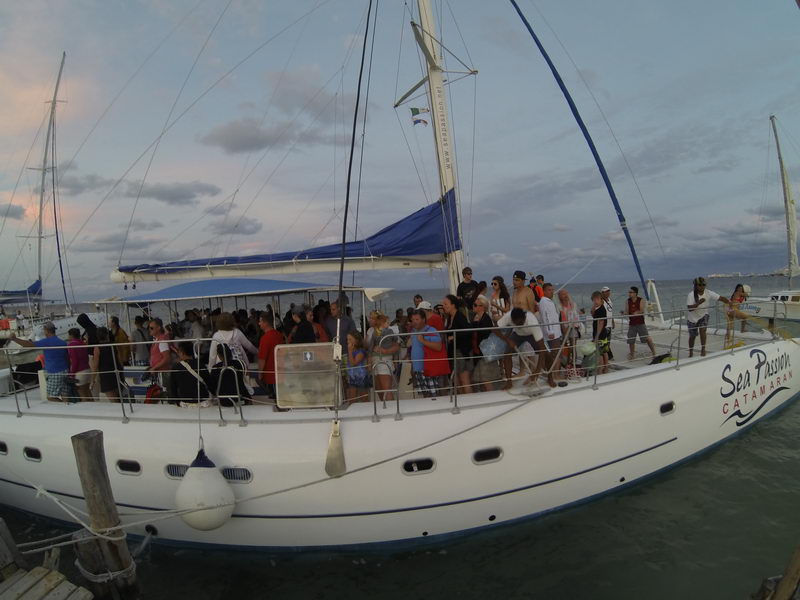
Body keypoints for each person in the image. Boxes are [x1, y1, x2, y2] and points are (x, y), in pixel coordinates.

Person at [495, 308, 555, 388]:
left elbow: (542, 349)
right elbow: (494, 329)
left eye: (521, 323)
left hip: (531, 334)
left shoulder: (532, 321)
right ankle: (509, 382)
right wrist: (508, 340)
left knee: (547, 354)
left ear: (524, 318)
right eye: (516, 323)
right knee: (507, 354)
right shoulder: (508, 316)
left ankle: (550, 378)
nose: (519, 325)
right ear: (512, 320)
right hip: (517, 334)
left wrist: (537, 370)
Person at [11, 322, 70, 401]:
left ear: (46, 331)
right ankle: (66, 409)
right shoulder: (63, 342)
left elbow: (28, 345)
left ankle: (62, 407)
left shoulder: (46, 342)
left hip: (54, 372)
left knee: (51, 397)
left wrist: (15, 339)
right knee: (65, 394)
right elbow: (67, 358)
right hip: (65, 370)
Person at [409, 309, 449, 398]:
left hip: (429, 368)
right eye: (412, 320)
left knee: (435, 394)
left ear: (423, 319)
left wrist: (423, 341)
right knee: (425, 395)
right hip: (418, 369)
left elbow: (438, 347)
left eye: (417, 319)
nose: (414, 322)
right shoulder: (414, 331)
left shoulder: (431, 330)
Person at [686, 277, 730, 357]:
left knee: (703, 331)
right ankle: (691, 352)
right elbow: (689, 309)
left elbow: (720, 298)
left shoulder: (708, 293)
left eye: (704, 285)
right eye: (700, 285)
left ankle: (703, 350)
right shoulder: (691, 295)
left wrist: (729, 302)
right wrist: (698, 303)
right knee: (692, 337)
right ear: (695, 285)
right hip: (692, 318)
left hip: (703, 315)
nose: (702, 286)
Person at [366, 310, 400, 402]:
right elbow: (369, 348)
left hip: (383, 360)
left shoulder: (387, 331)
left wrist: (385, 351)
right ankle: (385, 407)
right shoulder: (371, 331)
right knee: (380, 389)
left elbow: (396, 346)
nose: (370, 320)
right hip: (376, 361)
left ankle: (391, 408)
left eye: (372, 318)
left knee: (386, 389)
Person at [442, 294, 473, 394]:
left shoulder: (460, 317)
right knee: (457, 381)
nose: (443, 306)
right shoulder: (450, 317)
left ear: (453, 305)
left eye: (446, 304)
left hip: (462, 352)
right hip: (454, 352)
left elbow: (468, 331)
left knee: (465, 381)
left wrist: (454, 336)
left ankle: (469, 402)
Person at [471, 296, 500, 392]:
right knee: (483, 380)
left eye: (475, 305)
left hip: (484, 353)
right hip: (479, 353)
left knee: (486, 380)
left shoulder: (485, 319)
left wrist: (475, 324)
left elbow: (484, 335)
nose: (473, 306)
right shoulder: (477, 318)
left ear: (482, 307)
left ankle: (491, 398)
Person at [623, 286, 656, 360]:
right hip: (632, 323)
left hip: (640, 323)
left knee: (647, 338)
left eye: (631, 292)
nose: (629, 293)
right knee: (631, 340)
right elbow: (626, 311)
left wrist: (636, 312)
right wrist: (624, 313)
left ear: (635, 293)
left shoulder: (641, 300)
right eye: (629, 292)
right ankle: (632, 355)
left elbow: (641, 310)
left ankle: (654, 352)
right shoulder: (627, 301)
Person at [538, 283, 563, 379]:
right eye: (549, 290)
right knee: (556, 355)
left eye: (552, 290)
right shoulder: (544, 302)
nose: (551, 291)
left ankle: (551, 373)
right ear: (544, 291)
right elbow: (546, 317)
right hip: (552, 334)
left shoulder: (549, 301)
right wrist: (550, 331)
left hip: (555, 332)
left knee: (554, 354)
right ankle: (555, 375)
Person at [257, 312, 284, 399]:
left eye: (260, 321)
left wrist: (260, 373)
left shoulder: (265, 338)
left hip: (271, 375)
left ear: (266, 323)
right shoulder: (279, 335)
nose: (259, 323)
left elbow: (262, 359)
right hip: (280, 372)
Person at [92, 326, 121, 402]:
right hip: (116, 372)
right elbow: (120, 360)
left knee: (113, 399)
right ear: (107, 335)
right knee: (117, 397)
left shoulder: (97, 348)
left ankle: (119, 412)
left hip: (105, 375)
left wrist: (92, 380)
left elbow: (95, 365)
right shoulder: (114, 345)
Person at [557, 289, 580, 371]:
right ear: (559, 296)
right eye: (563, 294)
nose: (566, 296)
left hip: (573, 327)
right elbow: (561, 321)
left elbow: (576, 316)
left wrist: (577, 326)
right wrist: (564, 333)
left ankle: (573, 364)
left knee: (573, 347)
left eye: (566, 293)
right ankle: (566, 364)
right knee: (566, 348)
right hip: (564, 329)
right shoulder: (559, 307)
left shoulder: (573, 304)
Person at [67, 328, 92, 401]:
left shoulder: (72, 345)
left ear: (71, 335)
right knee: (88, 392)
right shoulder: (82, 343)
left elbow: (75, 361)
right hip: (87, 369)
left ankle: (88, 411)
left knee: (82, 394)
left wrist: (71, 374)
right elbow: (86, 357)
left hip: (80, 372)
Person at [346, 331, 370, 402]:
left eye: (350, 339)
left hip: (361, 377)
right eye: (347, 339)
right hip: (353, 376)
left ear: (357, 340)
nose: (348, 341)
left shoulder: (360, 351)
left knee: (363, 397)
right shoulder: (353, 351)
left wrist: (350, 351)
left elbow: (353, 363)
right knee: (352, 397)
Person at [591, 291, 610, 374]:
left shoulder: (601, 310)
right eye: (594, 300)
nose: (595, 301)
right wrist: (593, 306)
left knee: (600, 353)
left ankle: (600, 370)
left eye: (597, 299)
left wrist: (596, 336)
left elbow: (601, 323)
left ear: (601, 300)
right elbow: (592, 314)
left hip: (600, 334)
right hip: (602, 333)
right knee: (604, 351)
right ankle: (606, 368)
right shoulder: (598, 309)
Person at [600, 287, 615, 360]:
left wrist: (613, 322)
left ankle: (607, 355)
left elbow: (610, 312)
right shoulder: (601, 301)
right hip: (604, 325)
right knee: (604, 341)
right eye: (606, 292)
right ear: (602, 293)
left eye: (609, 291)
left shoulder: (609, 300)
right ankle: (609, 355)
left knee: (608, 341)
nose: (608, 293)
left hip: (609, 324)